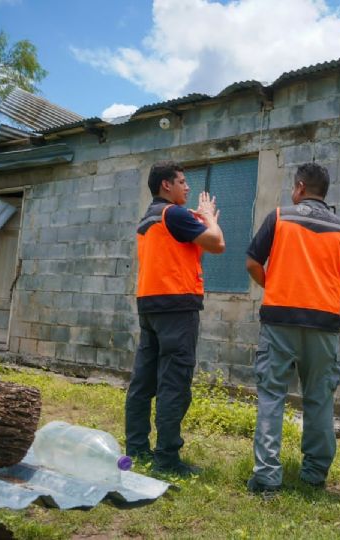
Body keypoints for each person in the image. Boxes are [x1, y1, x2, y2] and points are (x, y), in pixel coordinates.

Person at [244, 162, 340, 493]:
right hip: (323, 324)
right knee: (319, 400)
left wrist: (274, 286)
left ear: (299, 188)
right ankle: (314, 475)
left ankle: (267, 478)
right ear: (323, 193)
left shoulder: (281, 217)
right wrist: (326, 292)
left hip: (279, 321)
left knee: (272, 397)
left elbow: (253, 262)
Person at [125, 160, 225, 477]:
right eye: (182, 181)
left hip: (150, 307)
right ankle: (167, 459)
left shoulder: (149, 217)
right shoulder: (174, 213)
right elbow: (218, 243)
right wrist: (208, 216)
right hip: (176, 309)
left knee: (143, 382)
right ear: (165, 185)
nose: (188, 187)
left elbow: (187, 249)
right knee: (174, 383)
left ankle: (137, 449)